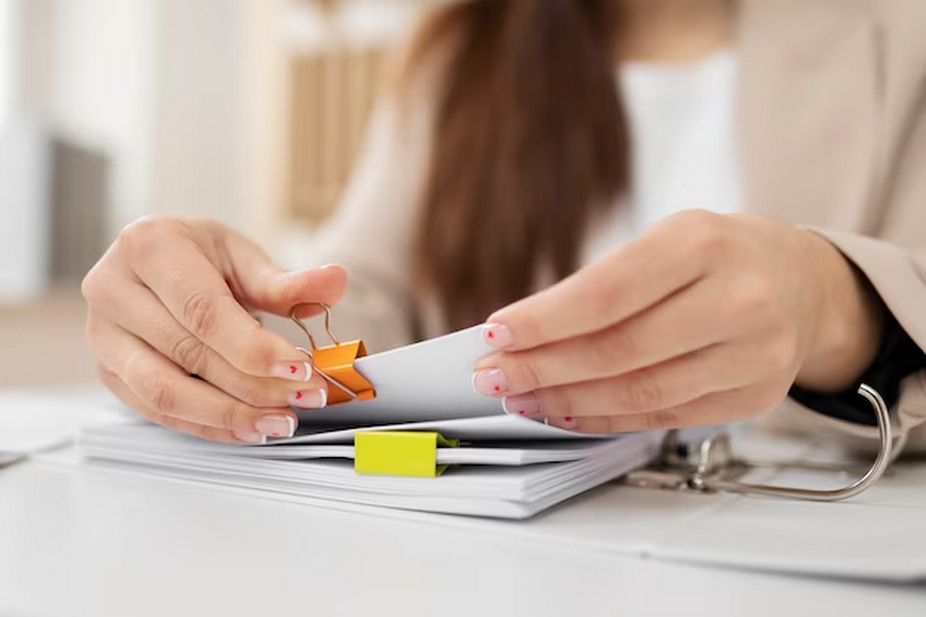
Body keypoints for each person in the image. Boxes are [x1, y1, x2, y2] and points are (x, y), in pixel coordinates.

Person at [82, 0, 926, 453]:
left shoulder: (900, 32)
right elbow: (355, 302)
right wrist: (217, 324)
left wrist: (830, 300)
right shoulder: (461, 52)